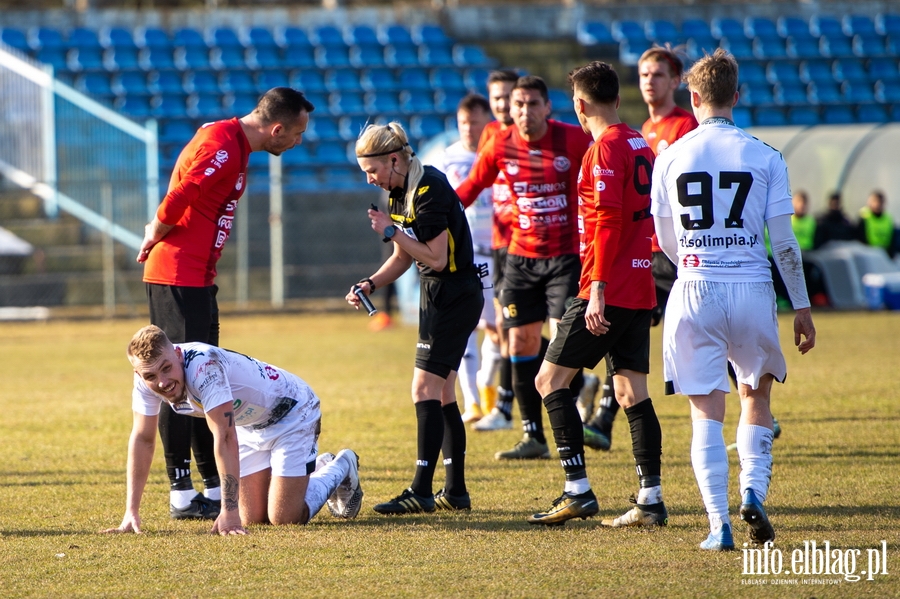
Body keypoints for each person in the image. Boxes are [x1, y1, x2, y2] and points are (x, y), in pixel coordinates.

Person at [650, 49, 816, 551]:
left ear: (693, 97)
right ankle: (753, 491)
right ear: (736, 97)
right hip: (752, 286)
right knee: (755, 395)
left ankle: (718, 525)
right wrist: (803, 306)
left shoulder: (670, 156)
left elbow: (663, 238)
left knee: (705, 410)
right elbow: (783, 243)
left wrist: (697, 263)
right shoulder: (766, 155)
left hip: (695, 285)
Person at [135, 87, 315, 521]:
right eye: (296, 134)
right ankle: (181, 491)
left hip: (197, 277)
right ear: (277, 128)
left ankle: (212, 486)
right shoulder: (223, 145)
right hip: (178, 274)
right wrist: (152, 232)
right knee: (175, 378)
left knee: (203, 380)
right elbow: (182, 194)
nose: (298, 142)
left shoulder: (232, 142)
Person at [527, 61, 666, 527]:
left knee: (548, 381)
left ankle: (577, 491)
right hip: (639, 285)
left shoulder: (605, 148)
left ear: (580, 104)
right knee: (630, 391)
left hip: (606, 288)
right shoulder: (637, 140)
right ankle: (650, 499)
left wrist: (599, 290)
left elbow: (606, 220)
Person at [103, 325, 363, 535]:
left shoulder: (204, 368)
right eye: (150, 376)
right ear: (139, 373)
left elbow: (224, 436)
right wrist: (131, 512)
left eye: (167, 368)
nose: (162, 382)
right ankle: (313, 466)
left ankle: (340, 466)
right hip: (250, 424)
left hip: (293, 412)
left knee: (284, 518)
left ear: (177, 355)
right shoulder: (145, 380)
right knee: (253, 517)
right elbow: (143, 439)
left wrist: (228, 511)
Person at [347, 122, 483, 514]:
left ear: (394, 159)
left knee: (423, 390)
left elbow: (436, 257)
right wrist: (371, 283)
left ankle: (421, 490)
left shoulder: (429, 189)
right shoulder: (398, 192)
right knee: (442, 394)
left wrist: (391, 231)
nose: (370, 178)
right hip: (441, 296)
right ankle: (455, 492)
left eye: (372, 170)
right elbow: (405, 256)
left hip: (452, 296)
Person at [456, 76, 593, 460]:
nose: (524, 111)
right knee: (518, 342)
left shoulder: (574, 140)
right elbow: (470, 187)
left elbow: (602, 179)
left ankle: (571, 414)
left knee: (565, 342)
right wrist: (433, 213)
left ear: (548, 108)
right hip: (519, 259)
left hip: (566, 258)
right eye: (519, 105)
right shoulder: (499, 142)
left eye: (533, 104)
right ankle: (533, 435)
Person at [582, 45, 698, 452]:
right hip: (642, 251)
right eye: (644, 74)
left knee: (700, 323)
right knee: (634, 330)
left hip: (672, 250)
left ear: (675, 82)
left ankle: (759, 408)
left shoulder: (686, 127)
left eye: (658, 74)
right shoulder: (640, 131)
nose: (649, 80)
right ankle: (603, 417)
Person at [439, 93, 502, 423]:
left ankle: (489, 393)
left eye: (474, 122)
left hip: (497, 253)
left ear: (485, 123)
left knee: (495, 328)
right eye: (463, 122)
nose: (468, 129)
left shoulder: (497, 154)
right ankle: (473, 403)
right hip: (464, 255)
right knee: (464, 331)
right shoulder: (448, 158)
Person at [472, 69, 520, 433]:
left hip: (531, 245)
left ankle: (505, 406)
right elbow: (477, 182)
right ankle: (503, 407)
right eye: (497, 97)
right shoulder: (490, 134)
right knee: (504, 327)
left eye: (508, 96)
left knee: (514, 327)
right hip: (500, 245)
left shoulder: (530, 132)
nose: (502, 104)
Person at [856, 190, 897, 258]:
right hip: (869, 254)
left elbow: (893, 238)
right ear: (869, 202)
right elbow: (860, 237)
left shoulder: (888, 218)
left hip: (885, 253)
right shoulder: (864, 217)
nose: (877, 204)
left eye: (880, 202)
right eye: (875, 201)